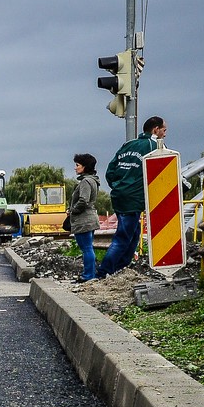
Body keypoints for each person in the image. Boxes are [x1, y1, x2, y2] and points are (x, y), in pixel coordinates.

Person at [100, 115, 165, 276]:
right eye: (164, 130)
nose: (165, 134)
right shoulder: (154, 145)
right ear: (155, 129)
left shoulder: (128, 145)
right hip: (133, 199)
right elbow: (162, 170)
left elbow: (110, 171)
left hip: (119, 196)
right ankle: (103, 273)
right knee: (123, 238)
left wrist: (118, 186)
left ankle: (119, 270)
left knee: (134, 235)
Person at [66, 153, 101, 282]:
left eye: (77, 165)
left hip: (84, 220)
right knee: (88, 247)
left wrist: (72, 211)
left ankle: (88, 276)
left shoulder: (86, 182)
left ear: (84, 167)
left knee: (86, 248)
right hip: (90, 218)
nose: (75, 168)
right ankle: (90, 274)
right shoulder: (93, 180)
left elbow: (83, 201)